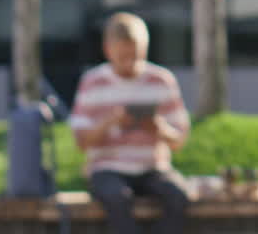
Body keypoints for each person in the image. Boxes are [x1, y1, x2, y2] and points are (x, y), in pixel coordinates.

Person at [69, 12, 191, 234]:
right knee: (117, 198)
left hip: (153, 167)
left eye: (136, 56)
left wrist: (159, 129)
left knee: (178, 195)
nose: (130, 63)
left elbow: (180, 139)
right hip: (107, 168)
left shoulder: (162, 80)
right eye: (123, 56)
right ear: (108, 50)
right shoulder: (92, 82)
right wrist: (110, 123)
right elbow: (80, 141)